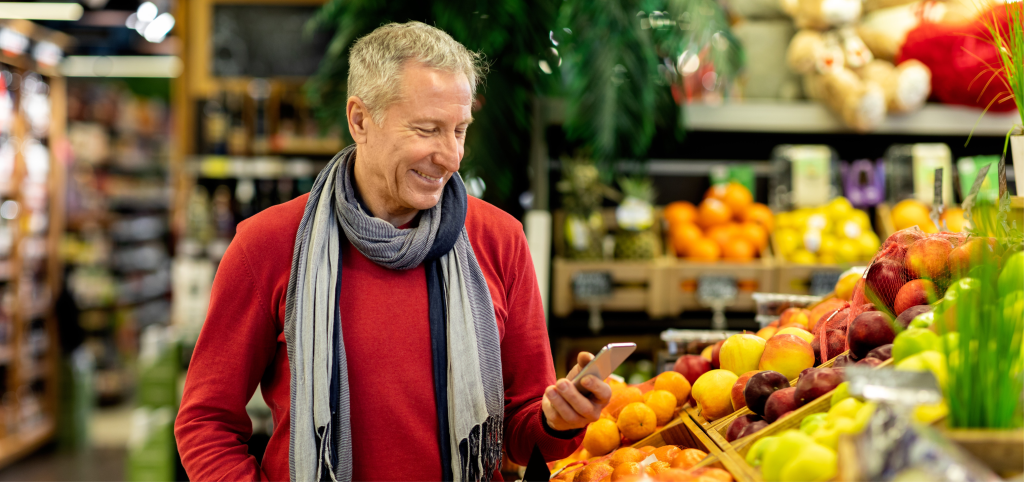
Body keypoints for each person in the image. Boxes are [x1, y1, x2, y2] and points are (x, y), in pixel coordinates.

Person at [174, 21, 612, 482]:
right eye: (427, 129)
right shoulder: (267, 244)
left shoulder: (499, 240)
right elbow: (206, 421)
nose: (450, 156)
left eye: (460, 130)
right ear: (360, 119)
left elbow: (524, 431)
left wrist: (558, 419)